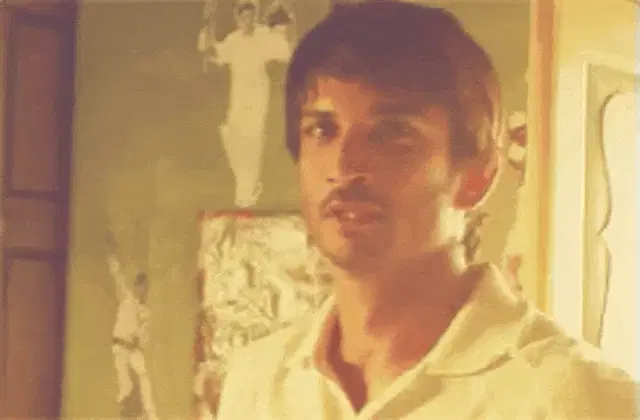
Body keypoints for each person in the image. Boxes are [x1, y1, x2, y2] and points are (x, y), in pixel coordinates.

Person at [216, 2, 638, 419]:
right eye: (322, 130)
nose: (344, 166)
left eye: (391, 134)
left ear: (477, 176)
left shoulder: (577, 398)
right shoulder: (257, 382)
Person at [198, 1, 292, 208]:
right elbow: (215, 53)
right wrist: (208, 30)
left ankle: (245, 195)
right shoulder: (233, 40)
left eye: (250, 16)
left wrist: (282, 27)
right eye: (243, 16)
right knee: (231, 136)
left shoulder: (263, 36)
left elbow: (285, 50)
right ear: (238, 18)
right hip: (238, 97)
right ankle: (250, 188)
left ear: (254, 16)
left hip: (257, 96)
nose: (246, 20)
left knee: (252, 142)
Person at [107, 255, 159, 420]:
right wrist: (114, 265)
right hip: (120, 346)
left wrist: (143, 326)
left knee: (143, 375)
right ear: (136, 286)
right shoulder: (127, 299)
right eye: (141, 286)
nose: (143, 291)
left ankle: (150, 413)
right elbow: (119, 281)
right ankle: (128, 414)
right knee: (126, 387)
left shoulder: (145, 312)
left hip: (132, 348)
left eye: (145, 288)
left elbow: (143, 339)